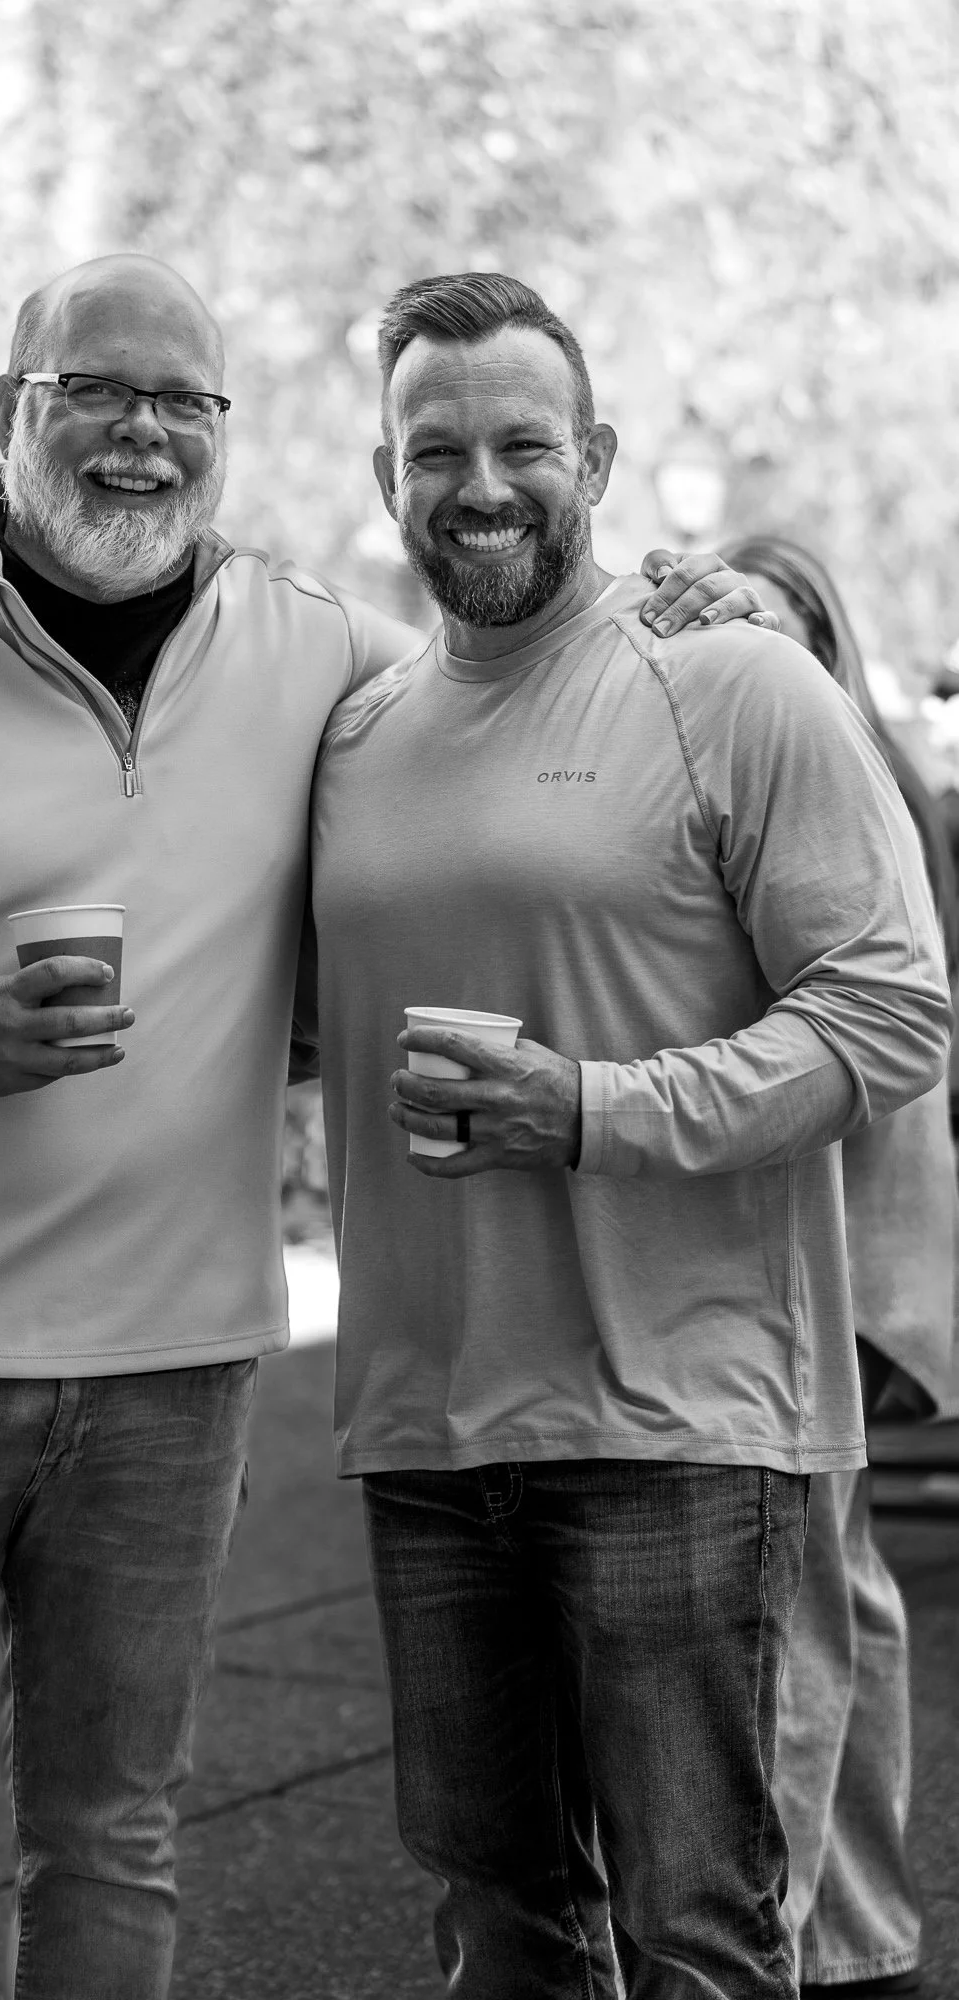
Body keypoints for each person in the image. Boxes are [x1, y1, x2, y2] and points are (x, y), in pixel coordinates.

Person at [0, 251, 762, 2000]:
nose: (141, 436)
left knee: (113, 1841)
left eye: (184, 404)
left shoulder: (305, 647)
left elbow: (516, 663)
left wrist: (687, 612)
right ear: (12, 412)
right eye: (97, 391)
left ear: (223, 435)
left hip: (173, 1372)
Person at [306, 272, 952, 2000]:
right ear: (387, 481)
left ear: (592, 455)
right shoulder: (355, 737)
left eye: (524, 442)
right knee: (500, 1924)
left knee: (704, 1939)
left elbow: (892, 1013)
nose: (483, 484)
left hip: (684, 1420)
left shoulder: (733, 686)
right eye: (436, 449)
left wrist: (594, 1110)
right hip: (429, 1425)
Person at [724, 535, 959, 2000]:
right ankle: (857, 1931)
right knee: (839, 1585)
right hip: (873, 1249)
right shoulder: (876, 776)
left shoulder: (842, 778)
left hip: (845, 1252)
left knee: (799, 1602)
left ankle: (803, 1930)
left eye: (770, 628)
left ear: (817, 637)